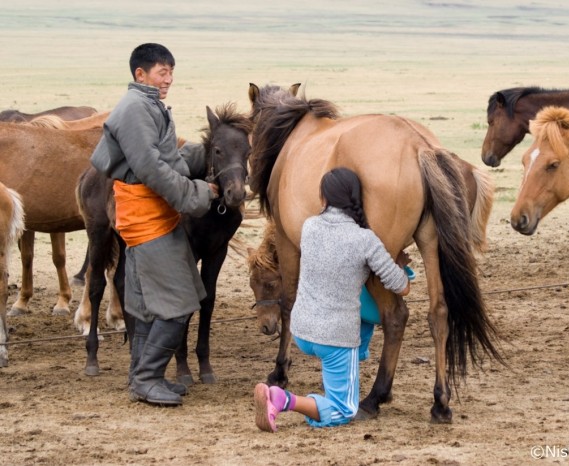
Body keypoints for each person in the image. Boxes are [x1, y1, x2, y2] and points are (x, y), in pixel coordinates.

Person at [90, 43, 219, 406]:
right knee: (178, 304)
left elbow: (165, 157)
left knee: (146, 306)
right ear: (140, 75)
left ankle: (140, 377)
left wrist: (209, 148)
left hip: (151, 219)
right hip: (148, 220)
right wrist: (197, 193)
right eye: (163, 72)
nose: (169, 79)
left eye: (171, 72)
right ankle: (148, 378)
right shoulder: (135, 109)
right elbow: (150, 169)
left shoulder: (147, 105)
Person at [254, 167, 410, 432]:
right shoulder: (365, 240)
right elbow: (400, 287)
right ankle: (283, 400)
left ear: (323, 199)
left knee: (355, 300)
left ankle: (350, 361)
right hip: (335, 338)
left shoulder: (309, 226)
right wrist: (402, 268)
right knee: (344, 409)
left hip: (303, 331)